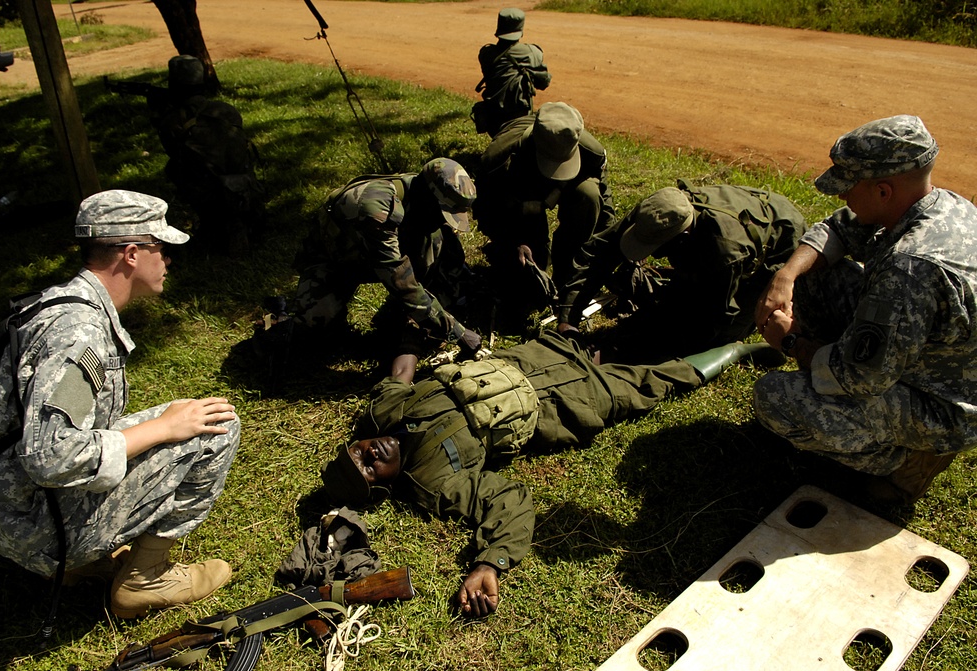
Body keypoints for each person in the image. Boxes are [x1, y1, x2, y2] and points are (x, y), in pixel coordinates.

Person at [321, 330, 780, 617]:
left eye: (356, 451)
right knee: (655, 381)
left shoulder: (384, 411)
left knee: (630, 334)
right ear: (381, 486)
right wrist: (489, 563)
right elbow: (510, 501)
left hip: (539, 354)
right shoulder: (435, 481)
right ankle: (738, 348)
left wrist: (412, 332)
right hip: (567, 404)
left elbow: (401, 369)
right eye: (368, 468)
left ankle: (707, 318)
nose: (369, 452)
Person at [0, 190, 240, 619]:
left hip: (9, 506)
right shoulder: (78, 335)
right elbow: (50, 457)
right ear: (132, 255)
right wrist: (163, 429)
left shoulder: (59, 302)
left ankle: (82, 561)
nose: (168, 260)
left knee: (185, 417)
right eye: (163, 248)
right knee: (216, 427)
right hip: (33, 526)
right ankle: (144, 579)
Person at [753, 115, 977, 505]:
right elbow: (838, 229)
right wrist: (785, 276)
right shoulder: (946, 206)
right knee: (814, 274)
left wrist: (790, 342)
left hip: (943, 406)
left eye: (848, 187)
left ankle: (904, 461)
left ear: (884, 191)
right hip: (932, 359)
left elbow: (858, 379)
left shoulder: (910, 267)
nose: (842, 196)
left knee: (773, 398)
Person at [557, 180, 807, 361]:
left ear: (681, 240)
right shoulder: (658, 211)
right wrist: (568, 320)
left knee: (715, 335)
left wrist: (622, 353)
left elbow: (707, 324)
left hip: (782, 243)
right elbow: (601, 251)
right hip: (729, 226)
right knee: (670, 303)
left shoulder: (725, 253)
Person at [292, 157, 483, 364]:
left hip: (383, 254)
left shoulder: (419, 195)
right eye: (441, 214)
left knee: (439, 241)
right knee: (314, 326)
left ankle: (400, 315)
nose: (441, 221)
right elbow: (401, 282)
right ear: (427, 197)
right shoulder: (375, 210)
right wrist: (457, 332)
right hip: (338, 261)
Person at [474, 102, 615, 323]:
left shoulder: (591, 151)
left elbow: (605, 204)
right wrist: (512, 242)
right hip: (522, 190)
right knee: (529, 281)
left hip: (565, 186)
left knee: (589, 195)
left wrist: (612, 248)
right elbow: (486, 213)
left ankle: (568, 270)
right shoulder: (499, 161)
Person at [148, 55, 266, 255]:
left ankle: (216, 225)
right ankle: (237, 222)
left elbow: (174, 153)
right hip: (245, 185)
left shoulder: (172, 120)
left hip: (210, 193)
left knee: (173, 169)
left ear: (173, 84)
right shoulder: (226, 111)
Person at [473, 8, 551, 137]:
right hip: (519, 118)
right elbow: (544, 83)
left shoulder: (486, 53)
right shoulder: (531, 52)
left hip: (492, 119)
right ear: (521, 29)